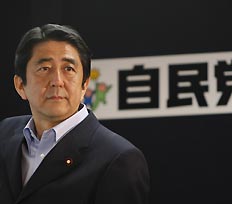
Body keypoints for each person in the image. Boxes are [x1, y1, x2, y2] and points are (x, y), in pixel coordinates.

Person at [0, 23, 150, 204]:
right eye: (44, 68)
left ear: (84, 85)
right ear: (20, 85)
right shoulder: (5, 134)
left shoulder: (119, 159)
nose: (57, 81)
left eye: (68, 69)